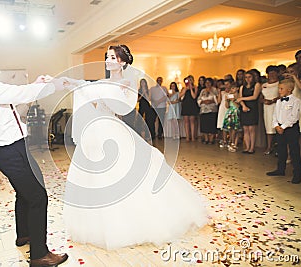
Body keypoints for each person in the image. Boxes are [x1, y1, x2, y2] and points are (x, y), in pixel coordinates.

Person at [64, 45, 207, 250]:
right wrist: (71, 82)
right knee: (93, 176)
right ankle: (97, 224)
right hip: (95, 131)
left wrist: (112, 94)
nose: (108, 60)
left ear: (122, 62)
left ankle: (129, 222)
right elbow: (88, 86)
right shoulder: (105, 82)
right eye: (107, 56)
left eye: (112, 57)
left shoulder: (127, 83)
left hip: (112, 129)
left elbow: (124, 108)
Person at [0, 34, 68, 267]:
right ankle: (39, 255)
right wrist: (52, 85)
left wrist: (36, 85)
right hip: (11, 149)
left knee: (24, 192)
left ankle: (24, 234)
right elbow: (21, 95)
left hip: (10, 148)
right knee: (38, 197)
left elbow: (13, 97)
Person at [266, 78, 301, 184]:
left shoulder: (296, 101)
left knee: (294, 151)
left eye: (281, 89)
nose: (279, 91)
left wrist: (284, 126)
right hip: (279, 128)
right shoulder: (278, 101)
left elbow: (294, 117)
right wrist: (276, 125)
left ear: (289, 89)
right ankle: (280, 169)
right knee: (281, 149)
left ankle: (297, 174)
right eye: (279, 88)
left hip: (291, 128)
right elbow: (275, 114)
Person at [237, 69, 261, 154]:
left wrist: (242, 98)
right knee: (245, 129)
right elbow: (239, 98)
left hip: (253, 108)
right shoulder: (242, 87)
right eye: (246, 77)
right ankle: (247, 147)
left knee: (252, 129)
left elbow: (254, 97)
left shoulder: (257, 85)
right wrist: (243, 106)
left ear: (253, 77)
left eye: (249, 77)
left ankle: (252, 147)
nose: (247, 79)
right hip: (244, 108)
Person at [261, 65, 280, 155]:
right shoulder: (264, 85)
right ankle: (269, 146)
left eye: (273, 73)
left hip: (277, 106)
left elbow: (282, 95)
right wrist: (264, 100)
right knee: (269, 127)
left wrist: (273, 100)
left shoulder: (280, 83)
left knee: (278, 127)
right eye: (270, 73)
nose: (271, 75)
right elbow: (260, 97)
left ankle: (279, 147)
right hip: (267, 107)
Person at [197, 78, 218, 144]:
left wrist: (211, 101)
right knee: (204, 125)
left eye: (209, 82)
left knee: (211, 125)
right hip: (203, 110)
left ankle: (211, 139)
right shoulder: (203, 90)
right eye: (206, 83)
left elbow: (217, 99)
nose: (207, 84)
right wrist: (203, 101)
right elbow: (199, 99)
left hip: (212, 109)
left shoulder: (214, 90)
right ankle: (206, 139)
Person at [179, 75, 199, 141]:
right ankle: (187, 136)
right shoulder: (184, 88)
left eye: (190, 80)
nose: (189, 81)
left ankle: (193, 137)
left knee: (192, 121)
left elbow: (194, 96)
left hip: (192, 105)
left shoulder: (195, 87)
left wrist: (190, 89)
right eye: (188, 80)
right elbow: (179, 96)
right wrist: (185, 89)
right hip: (185, 105)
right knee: (186, 121)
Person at [222, 83, 241, 152]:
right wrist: (227, 100)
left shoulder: (239, 96)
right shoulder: (229, 96)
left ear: (237, 88)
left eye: (233, 88)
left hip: (236, 112)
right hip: (230, 112)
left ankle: (234, 143)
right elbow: (227, 106)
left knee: (235, 129)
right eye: (231, 88)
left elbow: (238, 106)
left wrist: (233, 100)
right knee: (230, 128)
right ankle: (231, 141)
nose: (232, 90)